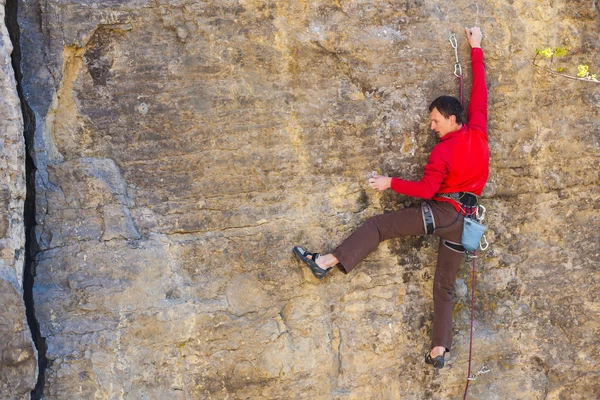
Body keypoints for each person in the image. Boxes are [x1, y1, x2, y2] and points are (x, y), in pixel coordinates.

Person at [293, 26, 488, 369]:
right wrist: (476, 47)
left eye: (435, 121)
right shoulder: (479, 130)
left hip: (443, 212)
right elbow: (481, 91)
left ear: (453, 118)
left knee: (378, 227)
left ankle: (324, 262)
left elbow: (427, 191)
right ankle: (439, 350)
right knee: (443, 287)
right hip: (466, 224)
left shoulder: (442, 154)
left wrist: (390, 182)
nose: (432, 127)